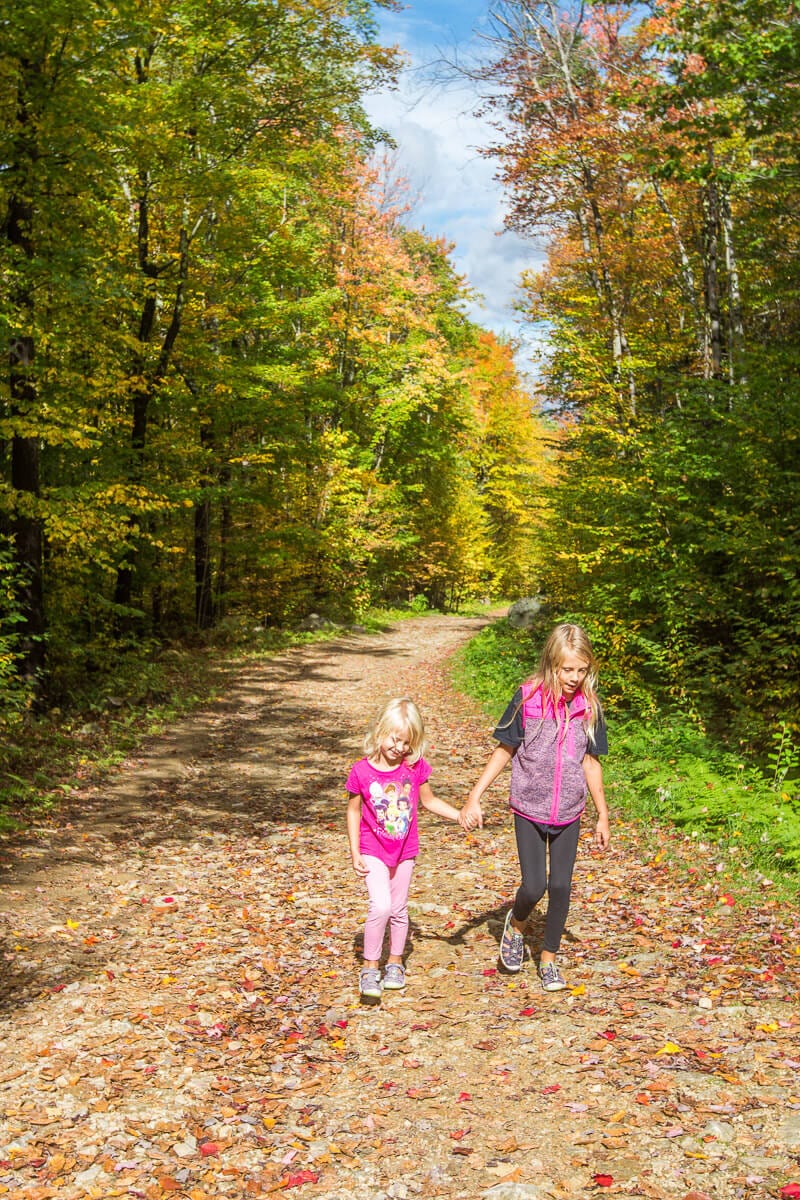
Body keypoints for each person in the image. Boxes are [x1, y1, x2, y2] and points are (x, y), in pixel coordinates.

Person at [460, 623, 610, 992]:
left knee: (560, 886)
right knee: (535, 885)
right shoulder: (528, 699)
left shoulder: (589, 708)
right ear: (551, 664)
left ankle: (549, 959)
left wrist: (602, 814)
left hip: (569, 811)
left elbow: (591, 762)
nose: (574, 678)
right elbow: (504, 750)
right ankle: (517, 923)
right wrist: (474, 796)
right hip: (528, 806)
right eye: (566, 669)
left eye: (581, 670)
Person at [346, 696, 466, 1004]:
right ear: (380, 731)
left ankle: (395, 962)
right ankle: (370, 967)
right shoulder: (361, 772)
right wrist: (355, 851)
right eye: (394, 739)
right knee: (381, 906)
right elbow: (353, 811)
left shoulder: (413, 768)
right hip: (372, 848)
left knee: (399, 909)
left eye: (406, 743)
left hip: (405, 850)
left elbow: (429, 801)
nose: (398, 748)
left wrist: (459, 814)